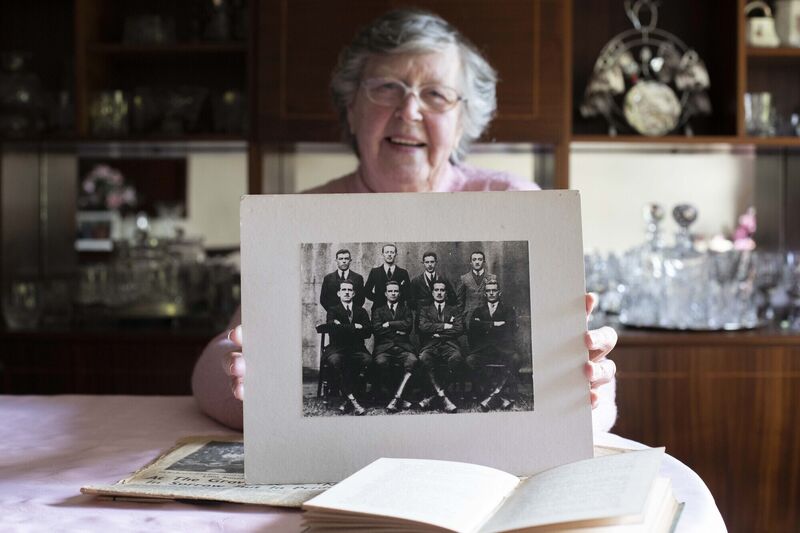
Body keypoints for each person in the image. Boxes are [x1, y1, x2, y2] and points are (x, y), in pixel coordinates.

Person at [192, 8, 618, 433]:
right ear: (351, 106)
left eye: (436, 94)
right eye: (386, 88)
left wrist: (588, 392)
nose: (409, 110)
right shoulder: (300, 216)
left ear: (463, 119)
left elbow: (591, 400)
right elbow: (218, 363)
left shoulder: (516, 203)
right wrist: (245, 384)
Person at [465, 278, 522, 411]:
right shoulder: (478, 311)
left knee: (516, 359)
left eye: (494, 290)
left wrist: (484, 326)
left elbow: (510, 329)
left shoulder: (508, 311)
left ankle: (493, 395)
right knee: (470, 361)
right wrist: (495, 324)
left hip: (503, 350)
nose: (491, 293)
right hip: (484, 350)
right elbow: (473, 328)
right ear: (485, 294)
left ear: (499, 293)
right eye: (488, 291)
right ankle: (495, 394)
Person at [322, 279, 372, 415]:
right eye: (344, 290)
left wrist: (342, 326)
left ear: (354, 293)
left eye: (350, 290)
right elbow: (333, 330)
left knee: (369, 361)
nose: (347, 292)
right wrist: (356, 327)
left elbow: (368, 332)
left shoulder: (361, 311)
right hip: (337, 348)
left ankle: (347, 400)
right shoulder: (333, 310)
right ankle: (353, 401)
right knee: (336, 361)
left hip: (357, 348)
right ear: (339, 293)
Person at [417, 281, 464, 413]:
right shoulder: (425, 310)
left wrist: (438, 334)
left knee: (457, 358)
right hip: (430, 345)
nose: (439, 292)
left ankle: (434, 396)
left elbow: (459, 329)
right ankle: (442, 396)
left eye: (442, 290)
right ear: (432, 293)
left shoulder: (454, 309)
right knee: (423, 358)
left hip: (450, 345)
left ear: (446, 293)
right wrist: (444, 326)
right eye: (436, 290)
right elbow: (423, 327)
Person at [370, 280, 417, 412]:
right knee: (381, 362)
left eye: (396, 291)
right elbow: (377, 329)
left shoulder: (405, 308)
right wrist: (398, 328)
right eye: (390, 291)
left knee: (413, 361)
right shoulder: (378, 310)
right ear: (385, 293)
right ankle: (396, 396)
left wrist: (389, 324)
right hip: (384, 347)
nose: (393, 293)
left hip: (403, 346)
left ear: (399, 293)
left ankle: (397, 398)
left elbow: (408, 326)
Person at [363, 244, 411, 310]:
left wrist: (396, 300)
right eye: (387, 252)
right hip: (378, 308)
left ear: (396, 254)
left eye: (392, 252)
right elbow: (366, 291)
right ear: (383, 254)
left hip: (398, 310)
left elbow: (408, 293)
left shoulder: (403, 272)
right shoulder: (375, 272)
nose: (389, 254)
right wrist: (378, 299)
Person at [457, 250, 489, 324]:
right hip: (469, 316)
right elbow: (460, 302)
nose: (477, 262)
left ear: (484, 262)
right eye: (474, 260)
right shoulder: (464, 278)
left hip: (487, 316)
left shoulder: (492, 277)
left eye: (480, 259)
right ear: (471, 262)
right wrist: (461, 318)